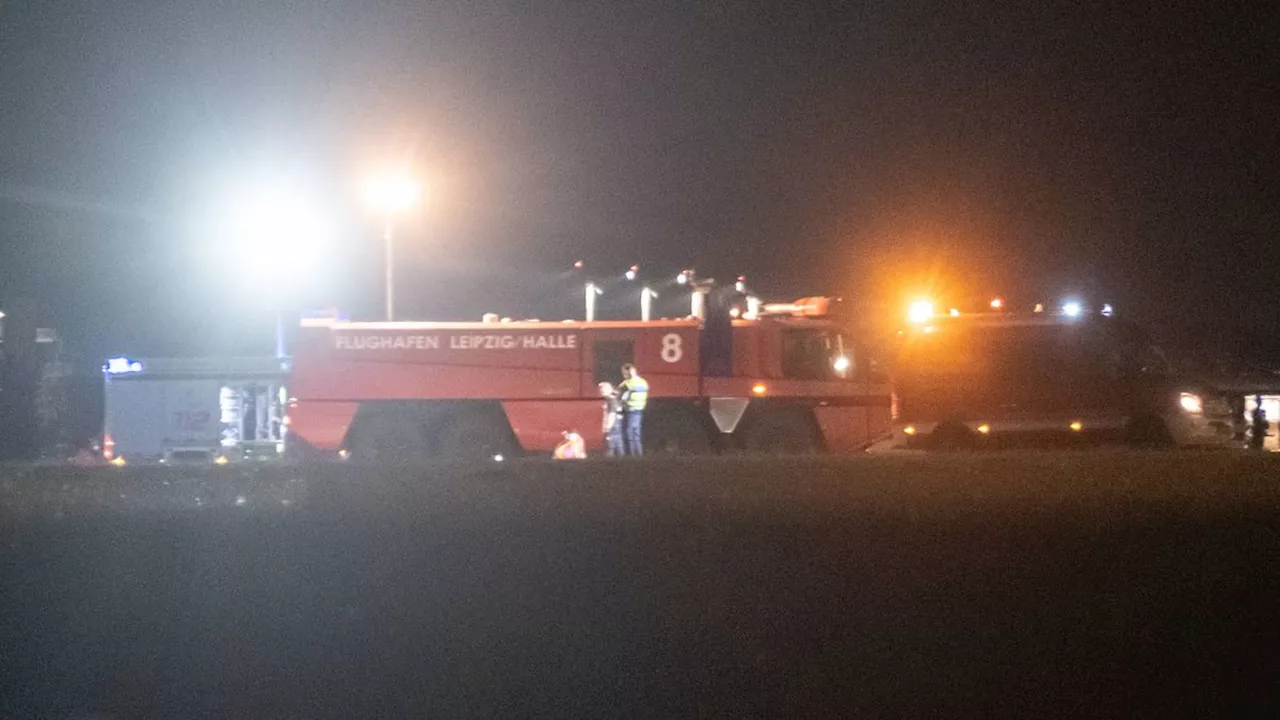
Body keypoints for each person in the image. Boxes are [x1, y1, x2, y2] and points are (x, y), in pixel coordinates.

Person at [618, 363, 649, 456]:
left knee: (631, 434)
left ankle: (633, 457)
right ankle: (639, 455)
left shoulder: (628, 383)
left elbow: (618, 391)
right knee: (636, 434)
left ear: (628, 372)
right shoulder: (643, 382)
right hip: (639, 410)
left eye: (624, 373)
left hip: (631, 410)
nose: (624, 375)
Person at [598, 381, 625, 457]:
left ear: (609, 389)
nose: (601, 391)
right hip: (617, 425)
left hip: (613, 426)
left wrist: (608, 427)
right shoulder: (614, 399)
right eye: (600, 389)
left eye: (603, 389)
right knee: (619, 445)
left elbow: (612, 414)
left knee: (610, 447)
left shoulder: (611, 400)